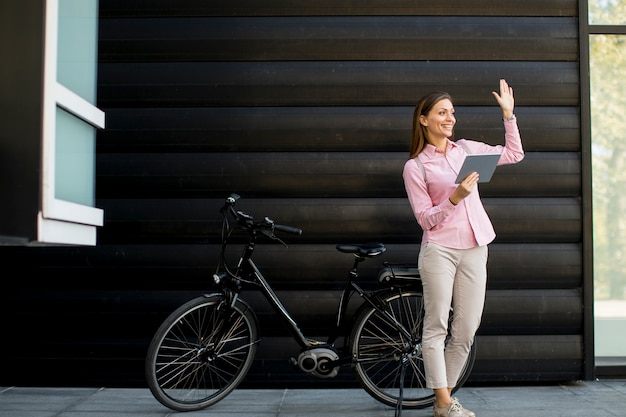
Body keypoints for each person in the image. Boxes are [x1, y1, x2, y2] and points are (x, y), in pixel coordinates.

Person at [402, 79, 524, 417]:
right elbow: (425, 219)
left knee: (466, 330)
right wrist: (454, 199)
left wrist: (508, 115)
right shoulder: (416, 167)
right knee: (437, 325)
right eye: (442, 112)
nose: (449, 118)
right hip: (439, 249)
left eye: (452, 112)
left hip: (475, 246)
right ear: (424, 119)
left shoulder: (466, 150)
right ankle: (443, 403)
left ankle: (444, 395)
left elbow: (514, 154)